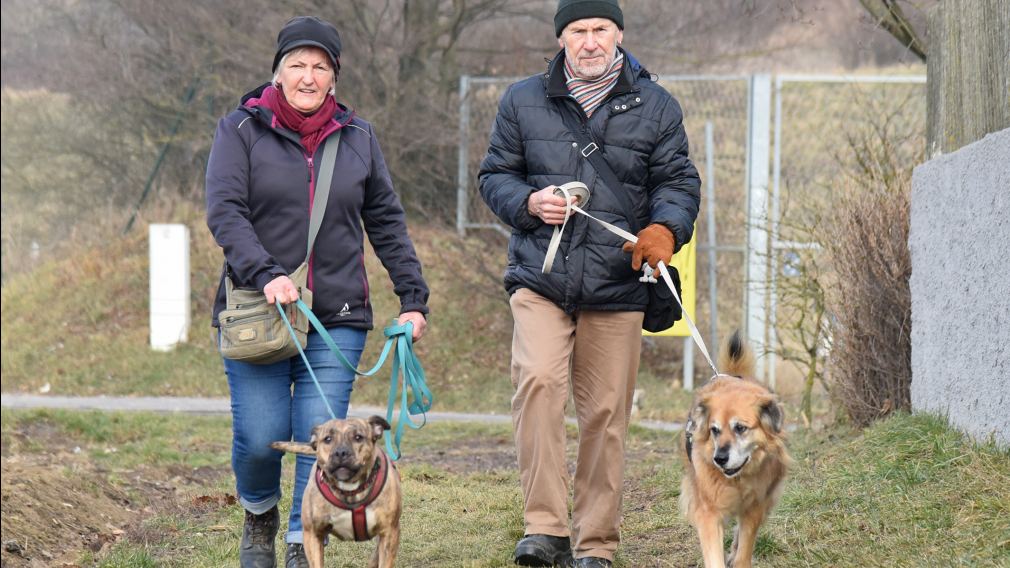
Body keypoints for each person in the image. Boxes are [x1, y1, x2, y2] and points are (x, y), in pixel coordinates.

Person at [478, 0, 700, 565]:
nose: (590, 40)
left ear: (619, 33)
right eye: (578, 30)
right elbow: (494, 175)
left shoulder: (657, 105)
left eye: (600, 28)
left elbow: (679, 182)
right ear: (561, 39)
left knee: (605, 413)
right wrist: (528, 202)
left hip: (619, 279)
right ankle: (545, 528)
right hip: (542, 275)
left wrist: (664, 230)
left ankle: (596, 543)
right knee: (537, 384)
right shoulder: (522, 99)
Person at [205, 16, 429, 568]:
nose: (308, 76)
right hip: (261, 307)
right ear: (277, 73)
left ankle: (298, 544)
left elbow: (387, 222)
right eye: (297, 65)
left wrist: (413, 299)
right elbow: (225, 212)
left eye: (320, 67)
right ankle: (260, 513)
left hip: (338, 316)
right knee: (260, 438)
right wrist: (265, 272)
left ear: (335, 77)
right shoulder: (239, 130)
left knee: (324, 442)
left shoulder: (359, 137)